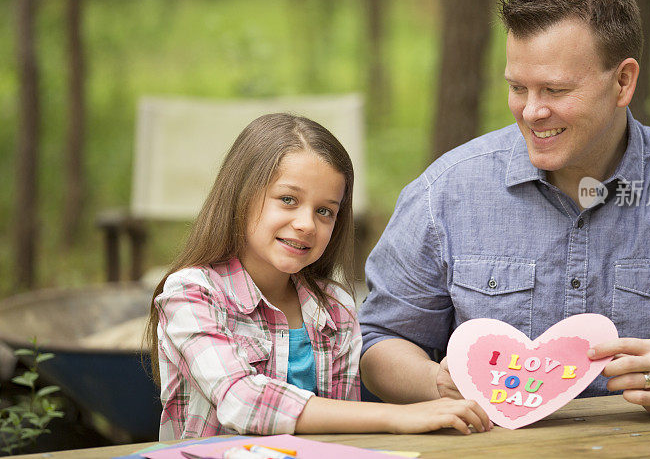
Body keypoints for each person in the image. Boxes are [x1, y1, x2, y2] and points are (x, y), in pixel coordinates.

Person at [359, 0, 650, 416]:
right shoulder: (444, 192)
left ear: (623, 82)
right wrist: (435, 382)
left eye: (555, 91)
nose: (531, 112)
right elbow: (379, 341)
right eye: (518, 87)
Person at [146, 113, 491, 439]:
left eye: (325, 211)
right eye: (288, 199)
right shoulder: (191, 293)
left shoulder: (334, 308)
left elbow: (341, 430)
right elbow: (241, 400)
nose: (306, 224)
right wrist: (396, 416)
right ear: (241, 196)